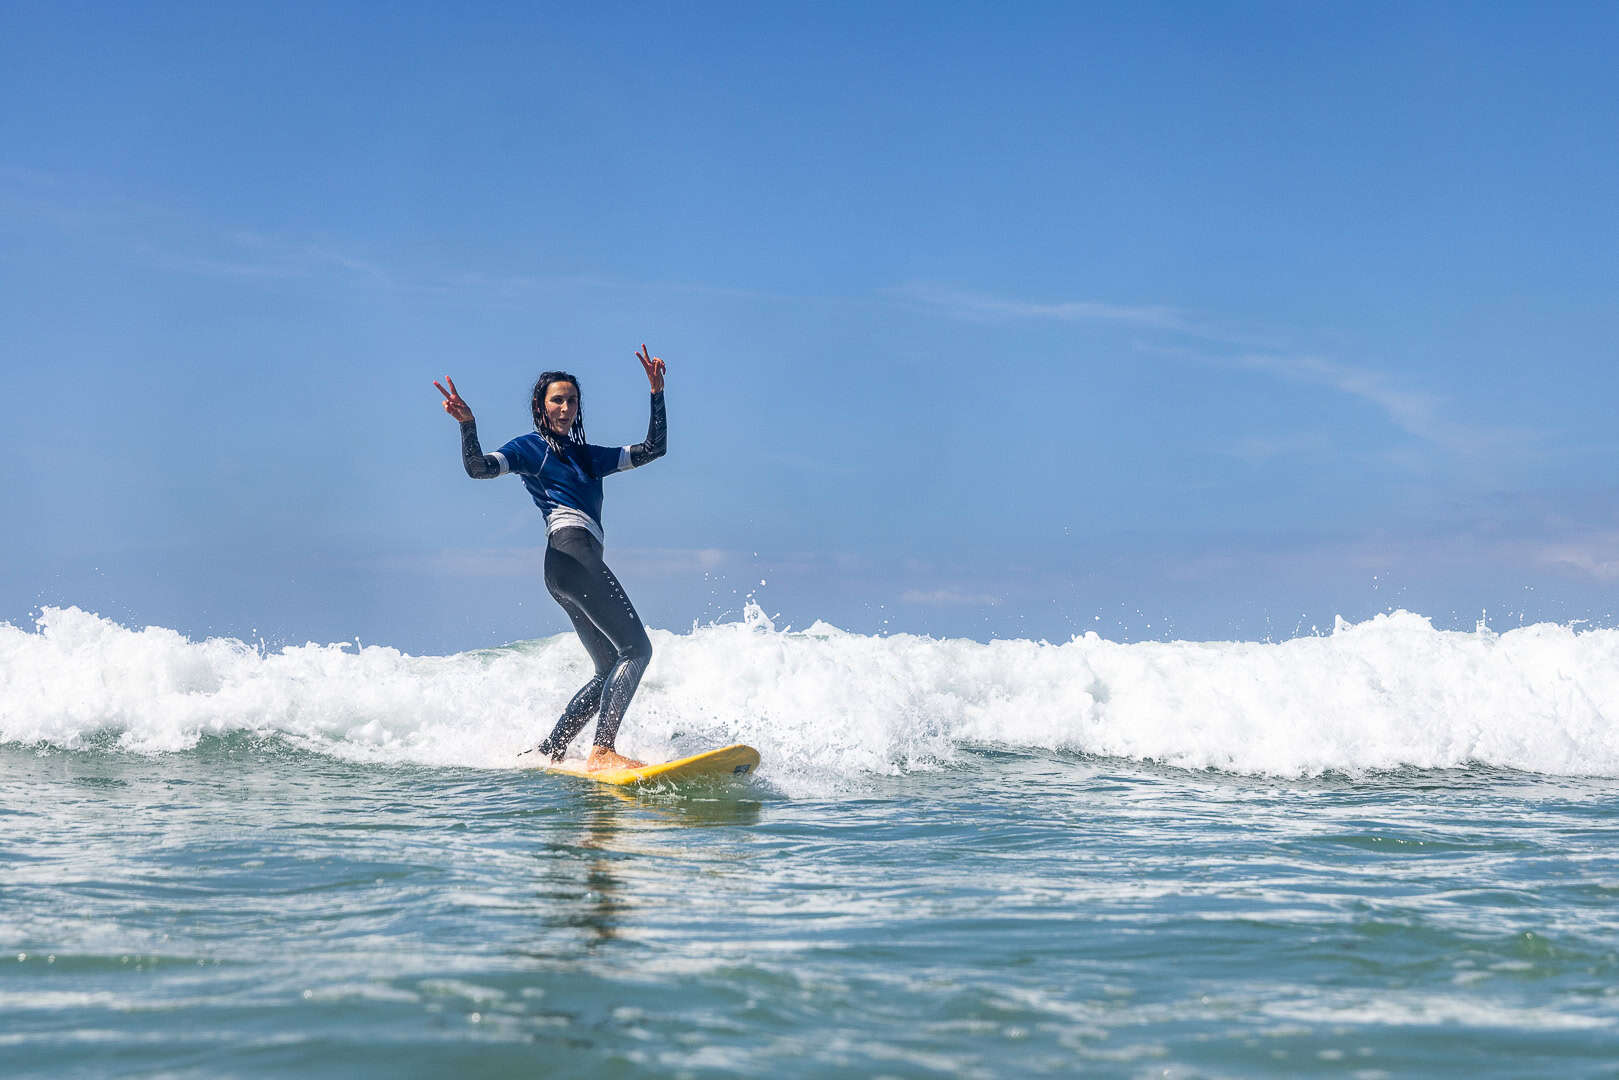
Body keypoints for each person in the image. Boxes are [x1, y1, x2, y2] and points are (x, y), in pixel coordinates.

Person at [435, 345, 667, 771]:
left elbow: (654, 449)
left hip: (562, 570)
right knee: (637, 649)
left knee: (607, 669)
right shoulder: (531, 449)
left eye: (572, 400)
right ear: (541, 406)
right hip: (572, 555)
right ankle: (603, 751)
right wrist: (468, 425)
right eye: (556, 400)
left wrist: (656, 392)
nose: (565, 407)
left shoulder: (590, 456)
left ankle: (552, 748)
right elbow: (479, 468)